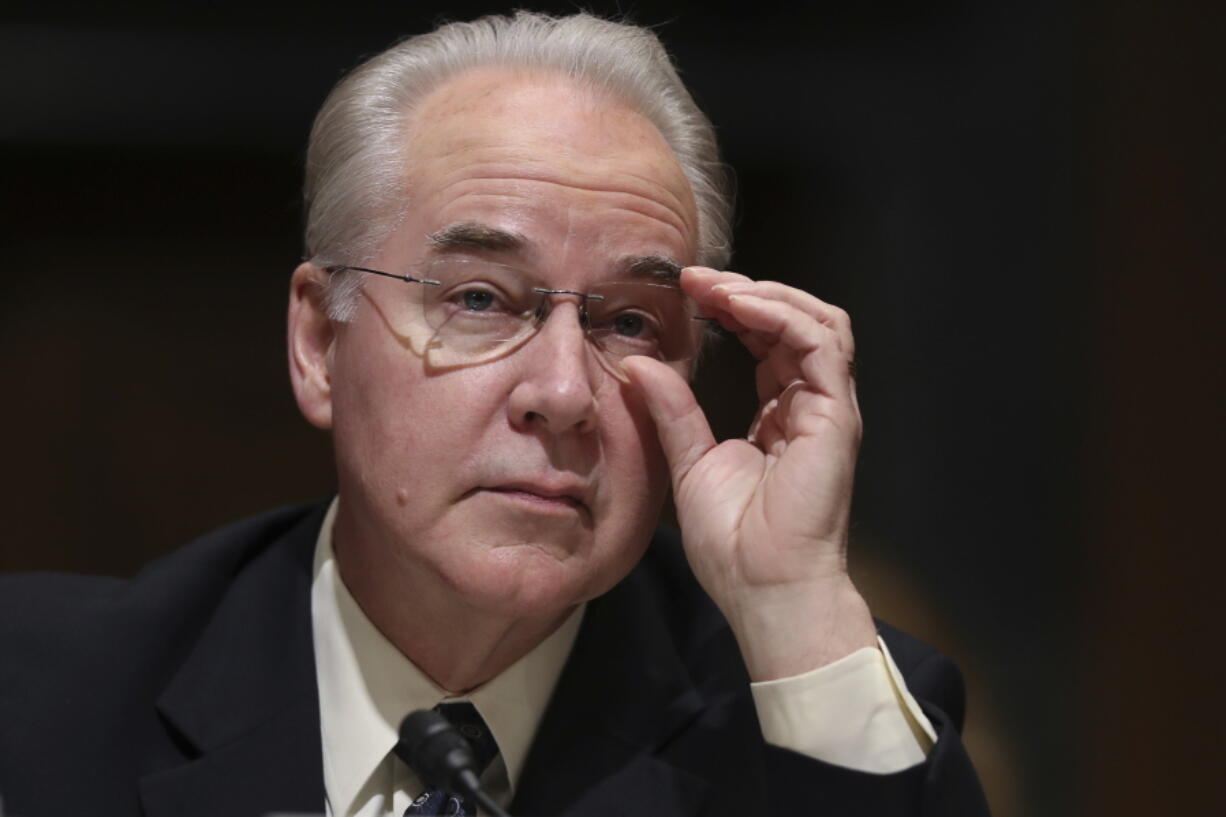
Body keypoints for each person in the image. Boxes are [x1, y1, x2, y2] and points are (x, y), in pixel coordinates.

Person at [0, 12, 989, 816]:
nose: (560, 393)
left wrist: (792, 602)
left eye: (629, 321)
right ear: (317, 343)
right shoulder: (39, 703)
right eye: (478, 299)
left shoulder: (803, 724)